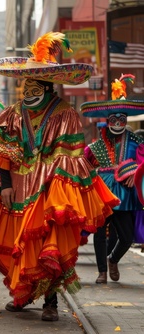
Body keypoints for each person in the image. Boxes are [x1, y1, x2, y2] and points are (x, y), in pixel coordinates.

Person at [0, 32, 119, 322]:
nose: (28, 91)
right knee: (18, 244)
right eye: (25, 86)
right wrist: (5, 185)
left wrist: (55, 188)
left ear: (47, 86)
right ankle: (22, 295)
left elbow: (68, 156)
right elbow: (1, 152)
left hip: (49, 189)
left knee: (48, 245)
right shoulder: (12, 114)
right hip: (18, 188)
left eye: (34, 86)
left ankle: (51, 303)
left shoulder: (64, 113)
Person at [81, 74, 144, 284]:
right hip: (101, 192)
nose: (118, 123)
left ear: (126, 121)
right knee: (99, 234)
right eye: (114, 120)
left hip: (124, 194)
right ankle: (101, 272)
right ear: (107, 122)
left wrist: (134, 171)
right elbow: (84, 167)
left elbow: (142, 162)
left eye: (122, 120)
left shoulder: (136, 141)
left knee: (126, 237)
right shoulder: (94, 147)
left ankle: (113, 259)